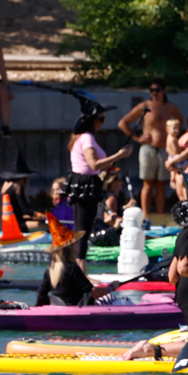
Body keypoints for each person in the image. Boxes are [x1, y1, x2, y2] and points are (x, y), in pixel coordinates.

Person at [120, 182, 188, 363]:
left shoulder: (185, 233)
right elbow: (183, 268)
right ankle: (149, 349)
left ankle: (161, 349)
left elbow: (172, 275)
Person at [68, 100, 133, 272]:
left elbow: (93, 166)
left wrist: (108, 166)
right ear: (92, 120)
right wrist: (119, 155)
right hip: (84, 185)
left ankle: (79, 269)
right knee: (83, 229)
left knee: (84, 227)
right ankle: (80, 272)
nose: (103, 123)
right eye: (101, 119)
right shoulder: (87, 137)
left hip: (85, 183)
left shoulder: (84, 137)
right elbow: (94, 164)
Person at [116, 78, 182, 220]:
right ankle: (145, 216)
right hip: (148, 148)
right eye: (151, 90)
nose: (154, 93)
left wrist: (174, 137)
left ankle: (159, 216)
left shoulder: (170, 107)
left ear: (164, 91)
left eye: (157, 90)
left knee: (161, 184)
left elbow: (180, 121)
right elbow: (123, 123)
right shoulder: (145, 106)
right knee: (147, 183)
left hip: (165, 149)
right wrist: (137, 138)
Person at [35, 213, 118, 307]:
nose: (79, 243)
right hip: (75, 310)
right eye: (77, 242)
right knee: (112, 298)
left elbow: (41, 294)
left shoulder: (51, 269)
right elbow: (92, 292)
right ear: (71, 247)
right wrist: (111, 287)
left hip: (58, 309)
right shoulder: (72, 268)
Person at [0, 149, 44, 232]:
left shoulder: (5, 185)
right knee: (48, 226)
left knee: (28, 217)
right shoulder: (17, 186)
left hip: (4, 224)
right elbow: (26, 210)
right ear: (24, 177)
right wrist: (45, 217)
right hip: (14, 226)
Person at [164, 118, 185, 202]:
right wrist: (182, 152)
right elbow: (177, 151)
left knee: (173, 172)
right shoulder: (173, 139)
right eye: (174, 128)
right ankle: (173, 180)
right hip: (174, 158)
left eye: (177, 128)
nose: (176, 130)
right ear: (167, 129)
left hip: (171, 157)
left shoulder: (169, 137)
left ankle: (173, 180)